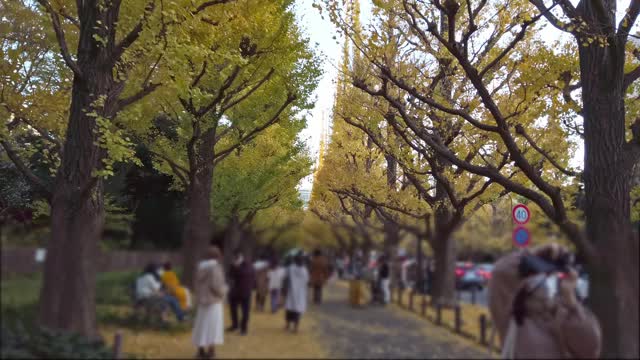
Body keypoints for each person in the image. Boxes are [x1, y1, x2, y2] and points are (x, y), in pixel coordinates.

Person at [488, 243, 601, 358]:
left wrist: (571, 301)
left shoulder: (563, 313)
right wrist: (533, 254)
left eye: (548, 276)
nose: (545, 284)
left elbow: (590, 350)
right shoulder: (511, 314)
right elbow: (500, 272)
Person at [192, 246, 227, 359]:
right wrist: (224, 291)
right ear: (217, 256)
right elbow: (216, 285)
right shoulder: (215, 268)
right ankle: (211, 352)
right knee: (212, 327)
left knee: (201, 325)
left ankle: (200, 351)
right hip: (213, 302)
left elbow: (196, 285)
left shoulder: (200, 268)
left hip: (202, 301)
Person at [227, 250, 255, 335]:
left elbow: (246, 273)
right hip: (235, 291)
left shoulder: (247, 265)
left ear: (240, 256)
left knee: (245, 311)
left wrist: (236, 267)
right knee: (233, 309)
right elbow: (230, 275)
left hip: (245, 291)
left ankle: (244, 328)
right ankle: (235, 325)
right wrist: (233, 267)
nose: (234, 259)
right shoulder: (233, 265)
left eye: (236, 257)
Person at [284, 253, 309, 333]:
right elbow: (307, 281)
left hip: (291, 292)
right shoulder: (304, 270)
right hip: (300, 293)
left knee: (289, 309)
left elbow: (286, 278)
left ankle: (288, 325)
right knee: (297, 310)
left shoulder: (290, 268)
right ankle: (295, 327)